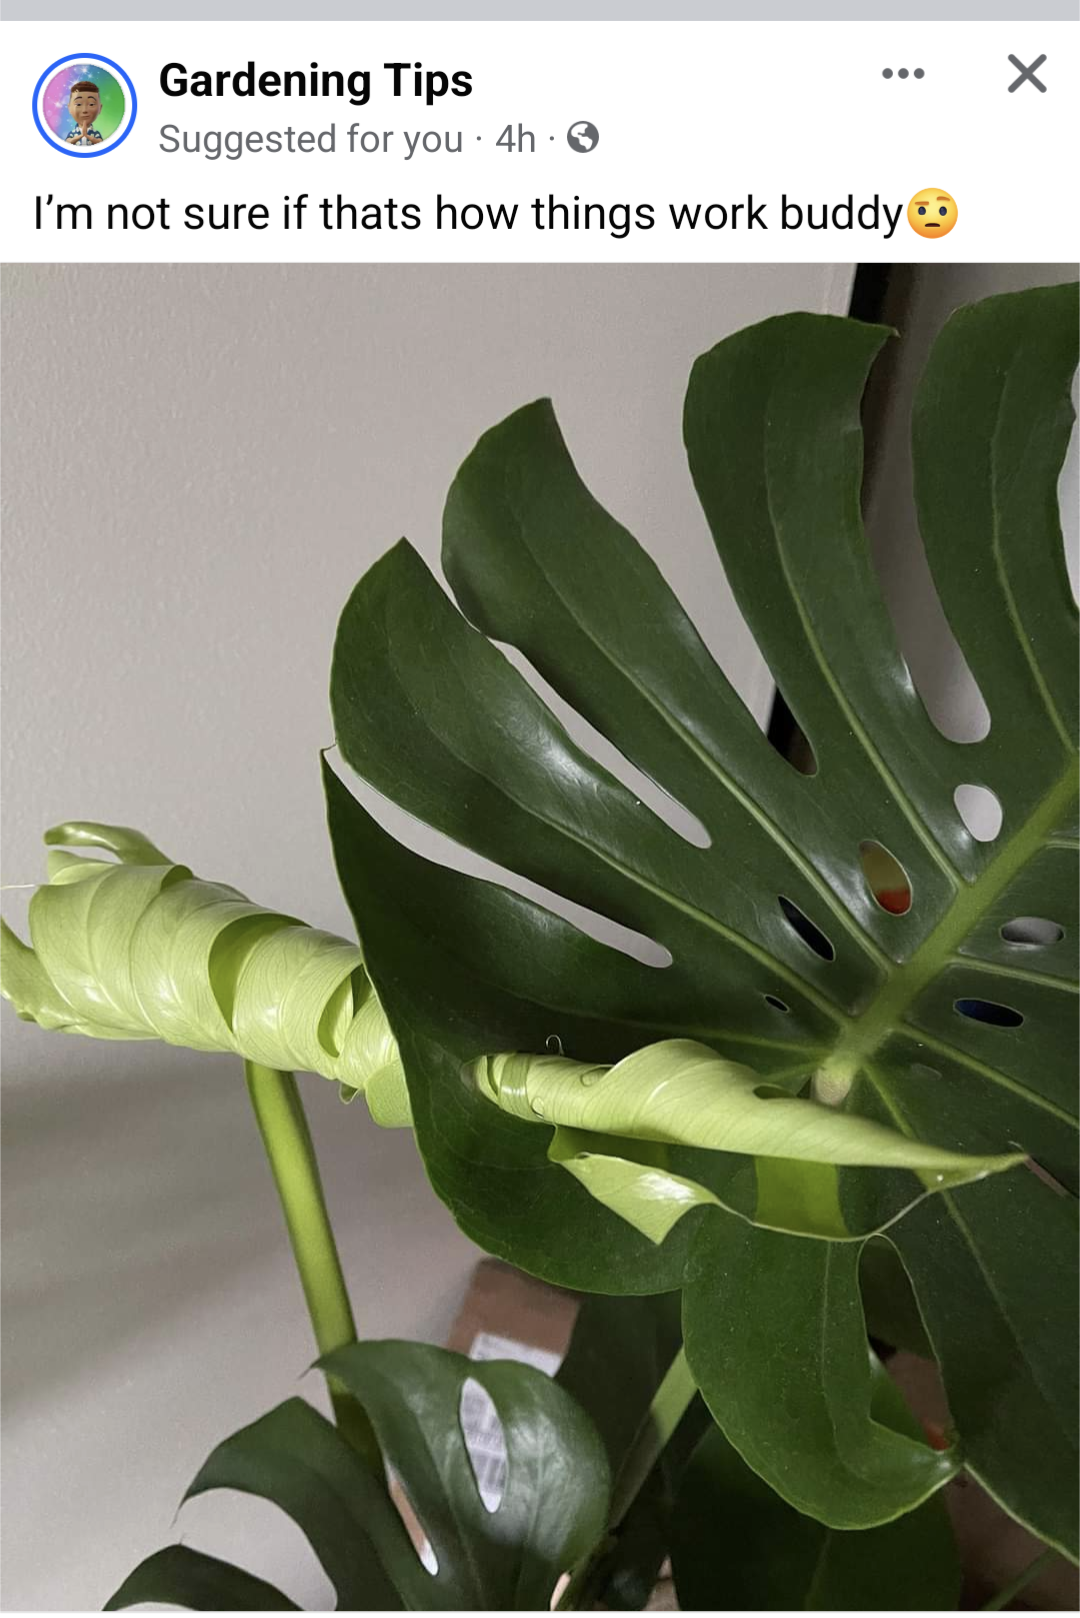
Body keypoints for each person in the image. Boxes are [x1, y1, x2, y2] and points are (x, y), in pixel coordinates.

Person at [64, 81, 103, 146]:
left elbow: (101, 143)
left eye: (91, 104)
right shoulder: (72, 133)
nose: (84, 110)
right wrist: (81, 135)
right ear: (69, 108)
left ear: (100, 108)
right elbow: (67, 143)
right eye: (78, 104)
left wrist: (87, 136)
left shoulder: (95, 133)